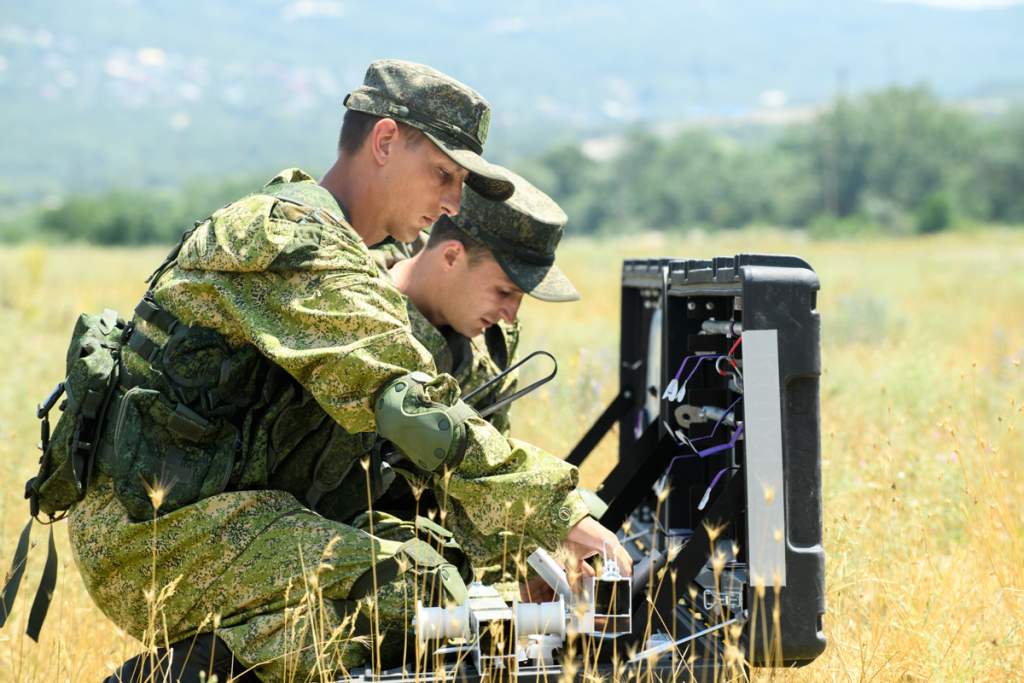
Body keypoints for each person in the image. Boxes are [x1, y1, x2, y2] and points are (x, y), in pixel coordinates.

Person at [53, 59, 630, 681]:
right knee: (407, 595)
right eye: (443, 174)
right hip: (156, 534)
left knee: (444, 582)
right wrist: (558, 512)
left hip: (240, 507)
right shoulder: (289, 240)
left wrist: (516, 550)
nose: (451, 204)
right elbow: (413, 405)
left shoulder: (361, 259)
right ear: (384, 142)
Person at [375, 169, 578, 436]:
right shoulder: (355, 308)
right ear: (451, 257)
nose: (509, 315)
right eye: (504, 292)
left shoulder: (494, 345)